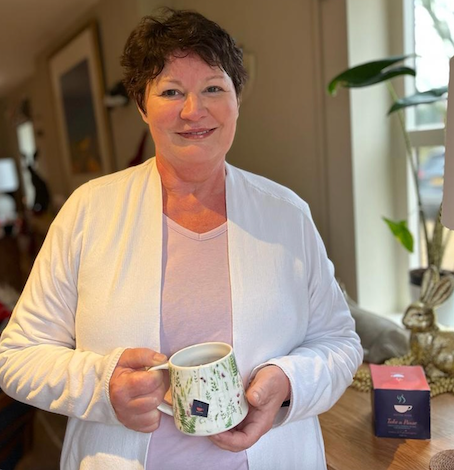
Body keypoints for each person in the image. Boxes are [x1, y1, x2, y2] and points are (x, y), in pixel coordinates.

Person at [0, 8, 363, 470]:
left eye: (214, 87)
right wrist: (103, 385)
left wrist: (288, 381)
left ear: (236, 98)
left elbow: (339, 341)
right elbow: (17, 355)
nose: (195, 111)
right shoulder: (88, 212)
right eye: (171, 91)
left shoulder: (287, 215)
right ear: (142, 106)